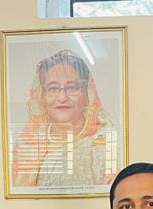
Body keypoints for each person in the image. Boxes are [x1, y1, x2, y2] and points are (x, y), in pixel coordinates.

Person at [11, 49, 118, 189]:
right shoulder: (27, 143)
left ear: (87, 93)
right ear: (41, 96)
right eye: (53, 89)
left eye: (72, 88)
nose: (62, 98)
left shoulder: (103, 141)